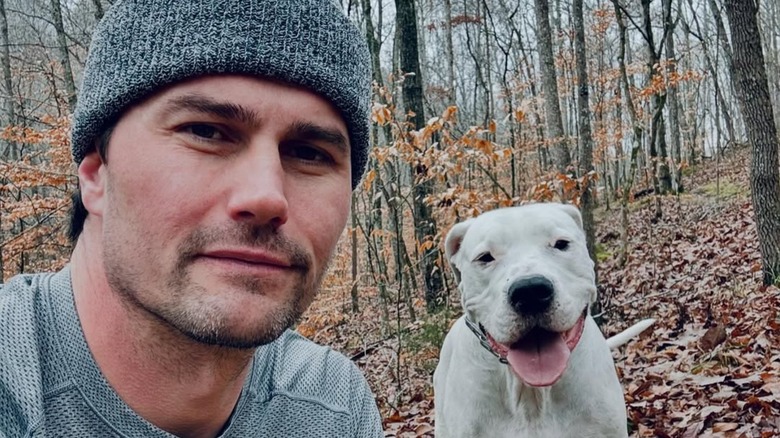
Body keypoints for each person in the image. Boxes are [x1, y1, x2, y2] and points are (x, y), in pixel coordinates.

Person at [0, 0, 384, 436]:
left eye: (309, 154)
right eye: (205, 132)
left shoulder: (332, 406)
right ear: (96, 175)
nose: (267, 196)